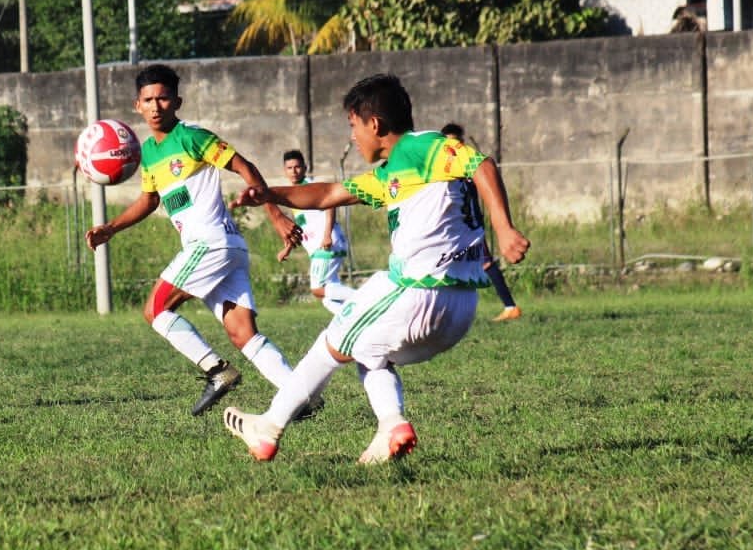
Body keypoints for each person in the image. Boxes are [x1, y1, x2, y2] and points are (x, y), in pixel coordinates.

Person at [221, 74, 530, 463]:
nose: (352, 137)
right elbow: (330, 193)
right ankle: (391, 426)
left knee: (331, 343)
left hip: (418, 290)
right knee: (367, 350)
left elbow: (481, 163)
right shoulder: (392, 172)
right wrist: (270, 193)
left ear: (374, 124)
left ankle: (268, 428)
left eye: (352, 126)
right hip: (459, 309)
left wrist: (504, 229)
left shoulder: (424, 147)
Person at [85, 63, 303, 415]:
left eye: (164, 98)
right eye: (149, 100)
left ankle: (218, 371)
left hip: (210, 242)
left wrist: (276, 213)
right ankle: (302, 394)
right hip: (226, 247)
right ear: (136, 105)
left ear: (178, 101)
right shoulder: (149, 153)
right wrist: (111, 227)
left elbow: (243, 166)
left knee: (156, 309)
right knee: (242, 333)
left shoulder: (192, 136)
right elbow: (150, 200)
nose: (156, 107)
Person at [439, 123, 522, 322]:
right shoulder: (445, 171)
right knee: (453, 265)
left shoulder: (467, 170)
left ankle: (510, 306)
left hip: (467, 227)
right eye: (449, 142)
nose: (453, 147)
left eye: (457, 142)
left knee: (483, 263)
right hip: (454, 228)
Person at [280, 149, 352, 315]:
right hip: (320, 247)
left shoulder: (312, 186)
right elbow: (302, 225)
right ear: (285, 171)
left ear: (304, 168)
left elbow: (330, 205)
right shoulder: (292, 194)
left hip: (326, 244)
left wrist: (326, 235)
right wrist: (288, 248)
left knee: (318, 289)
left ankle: (365, 298)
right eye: (289, 168)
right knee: (328, 298)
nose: (294, 171)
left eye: (297, 167)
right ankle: (349, 321)